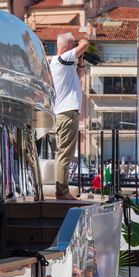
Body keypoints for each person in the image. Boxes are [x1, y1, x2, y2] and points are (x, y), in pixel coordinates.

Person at [50, 32, 89, 200]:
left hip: (65, 113)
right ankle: (62, 191)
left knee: (65, 153)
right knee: (65, 154)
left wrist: (80, 62)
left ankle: (62, 189)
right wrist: (81, 42)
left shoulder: (64, 64)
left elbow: (79, 78)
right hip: (66, 113)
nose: (75, 48)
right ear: (66, 46)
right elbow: (85, 43)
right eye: (73, 45)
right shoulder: (61, 59)